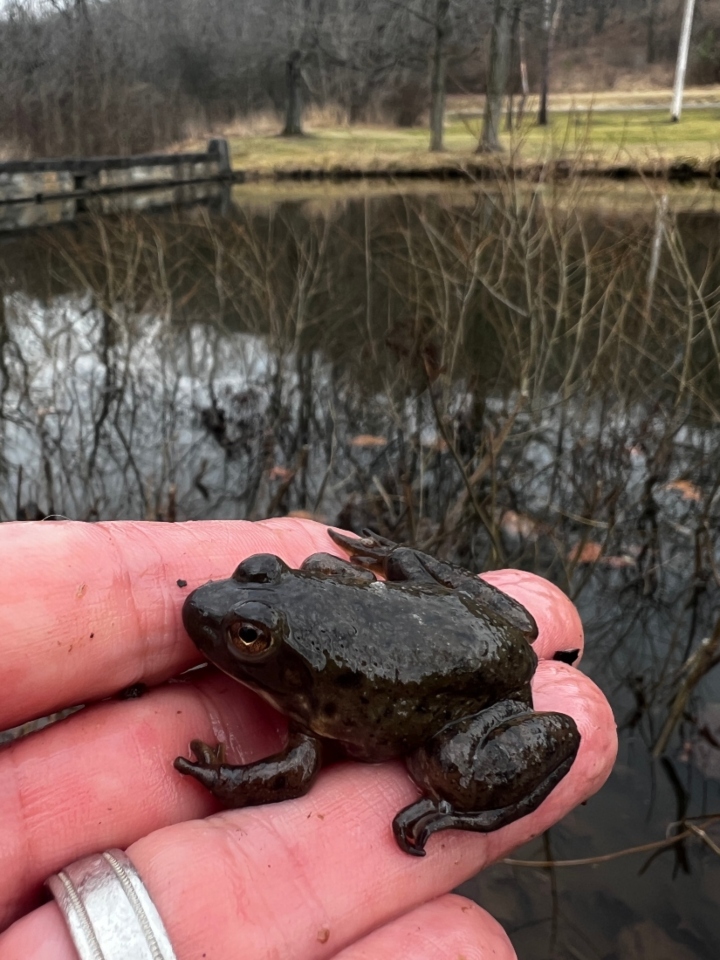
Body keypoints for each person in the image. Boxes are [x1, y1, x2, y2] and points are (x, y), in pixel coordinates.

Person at [0, 517, 616, 960]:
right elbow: (324, 569)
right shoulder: (318, 577)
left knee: (449, 764)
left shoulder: (313, 700)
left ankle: (471, 808)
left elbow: (297, 772)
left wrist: (225, 781)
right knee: (403, 566)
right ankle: (389, 564)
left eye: (247, 636)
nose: (210, 607)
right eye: (255, 577)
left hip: (482, 699)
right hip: (490, 627)